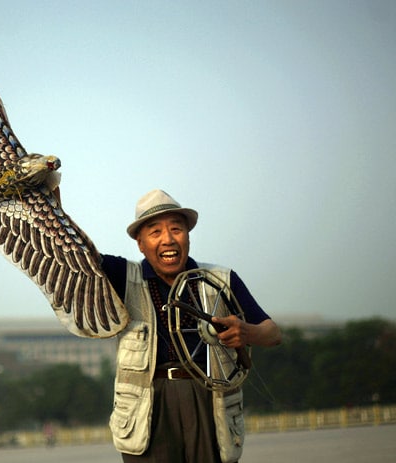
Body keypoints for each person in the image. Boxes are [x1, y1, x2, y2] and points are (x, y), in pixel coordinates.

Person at [99, 189, 281, 463]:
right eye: (155, 232)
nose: (168, 239)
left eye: (176, 229)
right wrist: (55, 212)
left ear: (188, 235)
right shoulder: (124, 277)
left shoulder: (221, 279)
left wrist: (247, 331)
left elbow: (273, 333)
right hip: (148, 406)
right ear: (140, 243)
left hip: (210, 399)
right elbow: (77, 255)